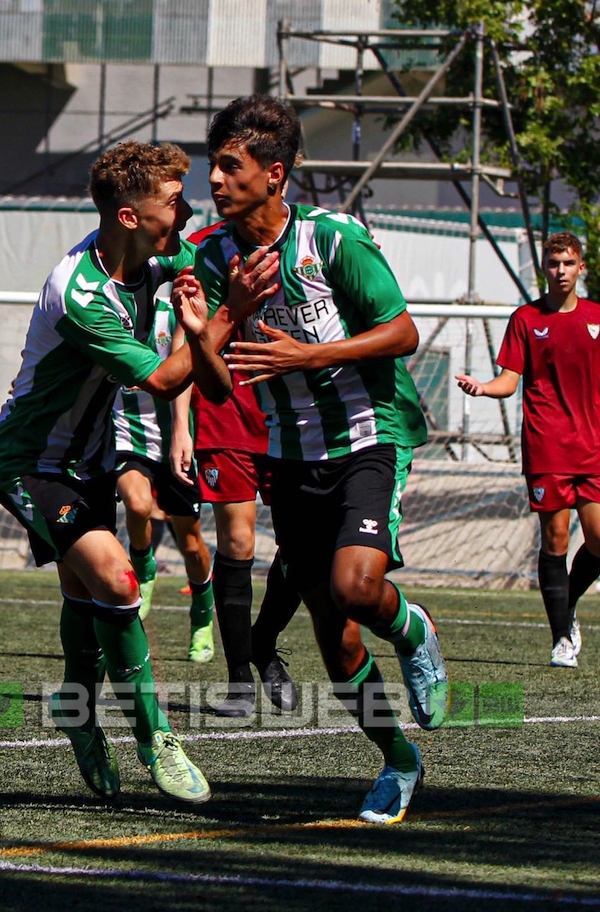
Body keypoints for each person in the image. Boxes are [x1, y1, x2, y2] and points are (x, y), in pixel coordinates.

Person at [175, 95, 448, 825]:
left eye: (232, 166)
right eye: (215, 165)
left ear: (276, 173)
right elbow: (210, 380)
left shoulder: (333, 240)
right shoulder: (210, 255)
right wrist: (215, 323)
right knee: (335, 640)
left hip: (367, 438)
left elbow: (402, 332)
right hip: (288, 458)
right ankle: (397, 762)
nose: (218, 178)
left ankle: (415, 630)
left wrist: (313, 352)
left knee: (356, 588)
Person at [0, 140, 276, 805]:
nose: (186, 209)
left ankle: (77, 709)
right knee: (117, 578)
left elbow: (202, 352)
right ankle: (155, 737)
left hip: (89, 455)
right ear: (129, 217)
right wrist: (224, 314)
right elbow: (166, 377)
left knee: (85, 591)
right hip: (30, 463)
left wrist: (207, 309)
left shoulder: (154, 252)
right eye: (172, 200)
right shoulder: (82, 295)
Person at [455, 232, 600, 668]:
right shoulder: (525, 319)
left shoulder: (599, 318)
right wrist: (482, 388)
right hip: (546, 446)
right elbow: (508, 380)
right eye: (553, 264)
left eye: (568, 263)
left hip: (591, 447)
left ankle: (565, 605)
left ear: (581, 268)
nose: (560, 271)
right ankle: (561, 638)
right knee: (555, 540)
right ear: (545, 269)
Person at [183, 218, 301, 717]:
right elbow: (186, 343)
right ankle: (238, 683)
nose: (221, 182)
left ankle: (263, 643)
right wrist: (179, 429)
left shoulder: (307, 241)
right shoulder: (203, 248)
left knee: (301, 544)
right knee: (238, 543)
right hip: (226, 412)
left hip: (292, 410)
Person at [111, 314, 217, 665]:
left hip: (175, 441)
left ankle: (202, 616)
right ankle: (144, 567)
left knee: (191, 544)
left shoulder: (171, 317)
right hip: (127, 437)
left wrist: (182, 433)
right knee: (137, 505)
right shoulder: (102, 312)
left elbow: (188, 368)